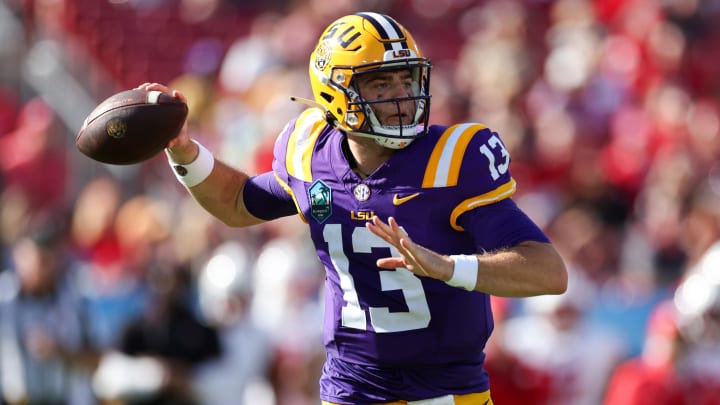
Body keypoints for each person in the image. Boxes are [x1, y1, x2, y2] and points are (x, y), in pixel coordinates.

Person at [139, 11, 568, 404]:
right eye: (381, 84)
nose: (402, 96)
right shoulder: (310, 152)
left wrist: (447, 267)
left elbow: (548, 271)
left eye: (407, 80)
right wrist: (184, 151)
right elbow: (238, 203)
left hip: (446, 393)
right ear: (336, 94)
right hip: (350, 389)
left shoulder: (452, 160)